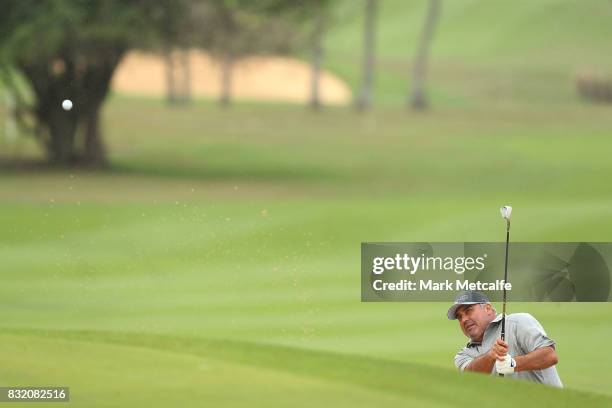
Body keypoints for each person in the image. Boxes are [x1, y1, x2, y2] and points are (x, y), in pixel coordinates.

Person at [447, 290, 563, 387]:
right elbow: (470, 377)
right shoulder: (463, 355)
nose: (464, 319)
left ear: (488, 308)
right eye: (459, 317)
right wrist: (490, 356)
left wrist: (513, 364)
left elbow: (549, 356)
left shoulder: (517, 322)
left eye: (468, 311)